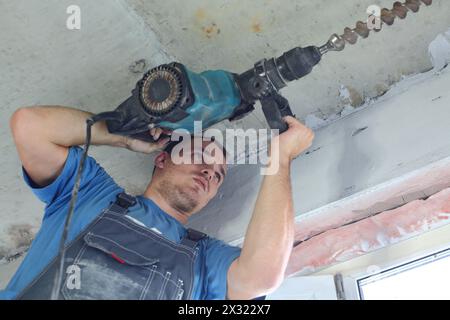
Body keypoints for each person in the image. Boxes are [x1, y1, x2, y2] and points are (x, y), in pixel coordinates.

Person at [2, 105, 314, 300]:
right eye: (199, 155)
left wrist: (280, 157)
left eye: (219, 175)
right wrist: (123, 136)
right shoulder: (89, 194)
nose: (209, 171)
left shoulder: (204, 260)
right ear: (162, 157)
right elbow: (30, 126)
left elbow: (263, 275)